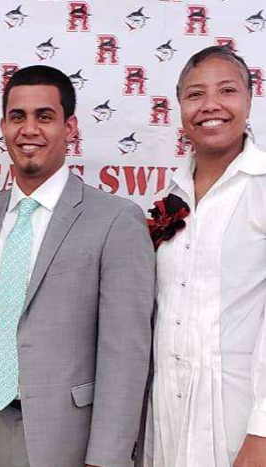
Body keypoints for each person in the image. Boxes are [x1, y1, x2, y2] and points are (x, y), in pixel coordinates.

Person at [0, 65, 155, 467]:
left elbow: (126, 353)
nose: (29, 129)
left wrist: (107, 457)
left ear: (70, 127)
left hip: (70, 442)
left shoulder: (115, 219)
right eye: (18, 117)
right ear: (3, 127)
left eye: (44, 117)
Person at [145, 46, 266, 467]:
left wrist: (262, 432)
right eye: (195, 95)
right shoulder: (167, 197)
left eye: (227, 91)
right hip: (169, 409)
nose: (210, 106)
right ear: (180, 107)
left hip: (240, 412)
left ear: (250, 100)